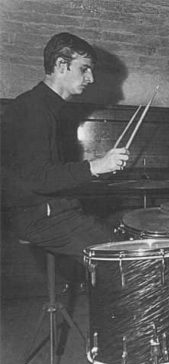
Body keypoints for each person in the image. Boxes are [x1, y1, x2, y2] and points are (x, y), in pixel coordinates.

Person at [1, 33, 129, 268]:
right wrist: (95, 166)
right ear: (61, 65)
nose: (90, 78)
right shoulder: (32, 110)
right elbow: (38, 179)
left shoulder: (52, 109)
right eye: (84, 69)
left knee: (120, 227)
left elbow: (55, 171)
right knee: (119, 254)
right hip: (34, 215)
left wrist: (96, 170)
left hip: (50, 208)